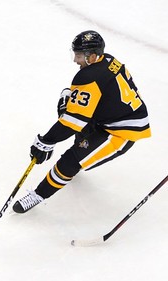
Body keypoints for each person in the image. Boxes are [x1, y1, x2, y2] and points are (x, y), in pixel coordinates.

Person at [13, 30, 151, 213]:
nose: (75, 60)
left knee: (70, 161)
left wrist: (46, 141)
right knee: (68, 107)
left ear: (92, 57)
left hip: (121, 132)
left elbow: (72, 123)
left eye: (78, 55)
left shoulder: (88, 77)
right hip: (113, 116)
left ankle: (39, 194)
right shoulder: (108, 59)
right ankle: (82, 150)